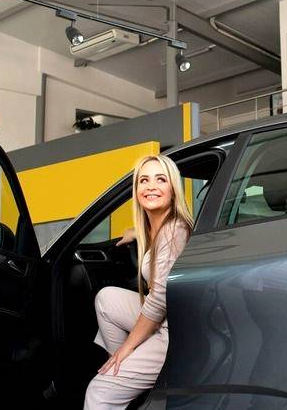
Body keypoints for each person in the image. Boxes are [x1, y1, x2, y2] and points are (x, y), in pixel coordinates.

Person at [84, 154, 194, 409]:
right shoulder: (157, 227)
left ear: (173, 189)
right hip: (166, 319)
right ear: (136, 190)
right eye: (144, 180)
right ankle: (129, 376)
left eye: (161, 179)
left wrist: (128, 348)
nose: (151, 186)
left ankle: (122, 372)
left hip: (175, 332)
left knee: (99, 392)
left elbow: (159, 299)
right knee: (106, 298)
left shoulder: (174, 230)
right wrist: (135, 232)